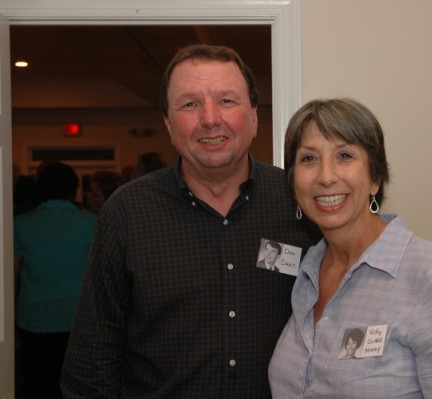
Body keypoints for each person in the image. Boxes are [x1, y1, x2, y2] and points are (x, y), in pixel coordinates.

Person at [61, 44, 320, 398]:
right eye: (190, 104)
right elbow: (92, 358)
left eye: (227, 101)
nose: (210, 118)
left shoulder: (300, 201)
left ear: (255, 117)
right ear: (168, 123)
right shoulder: (127, 212)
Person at [269, 98, 432, 398]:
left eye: (344, 155)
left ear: (375, 178)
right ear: (293, 184)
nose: (326, 176)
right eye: (308, 159)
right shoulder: (307, 274)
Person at [14, 162, 97, 399]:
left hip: (33, 318)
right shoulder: (90, 222)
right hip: (78, 319)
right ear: (73, 189)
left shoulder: (21, 224)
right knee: (77, 387)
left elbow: (11, 275)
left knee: (37, 384)